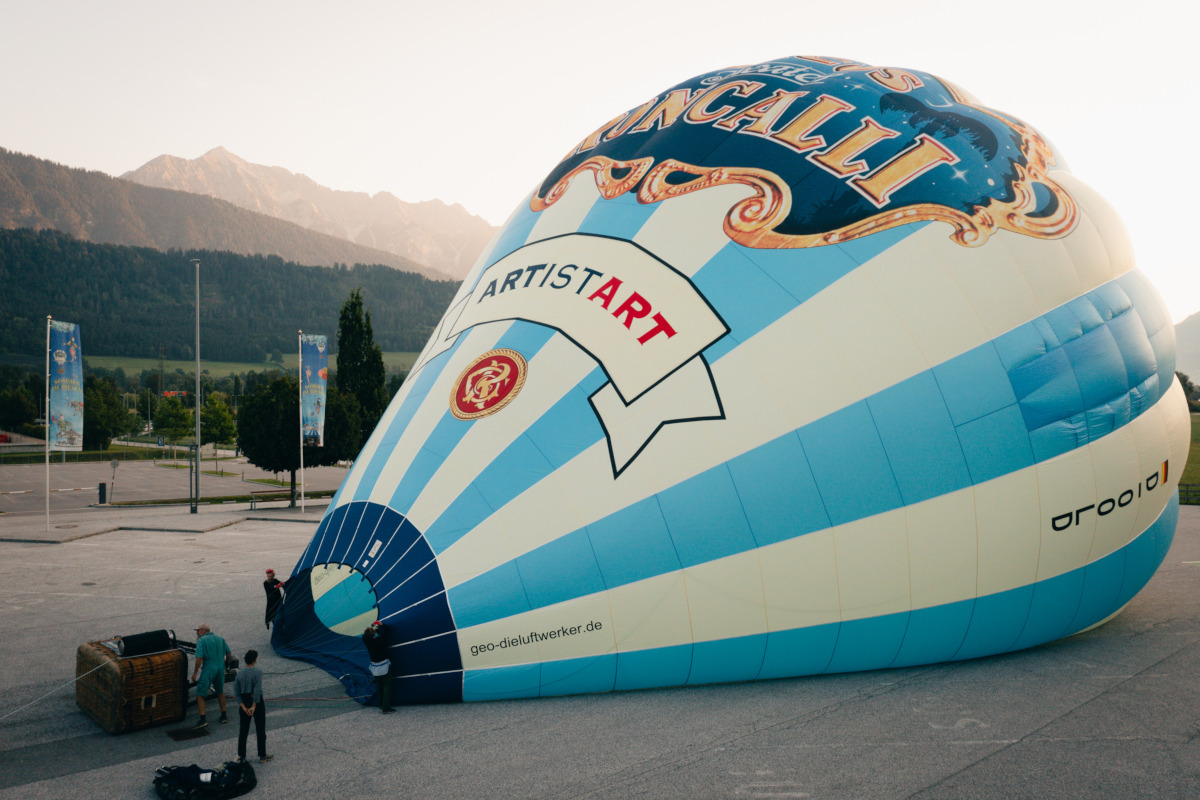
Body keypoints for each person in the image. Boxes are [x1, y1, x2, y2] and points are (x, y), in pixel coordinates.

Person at [233, 649, 273, 764]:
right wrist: (254, 705)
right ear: (255, 659)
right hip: (256, 702)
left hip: (244, 701)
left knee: (243, 730)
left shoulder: (239, 673)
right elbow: (257, 689)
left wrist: (244, 706)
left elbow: (236, 691)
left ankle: (242, 756)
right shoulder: (257, 671)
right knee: (260, 728)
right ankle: (262, 755)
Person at [191, 623, 232, 729]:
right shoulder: (220, 638)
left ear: (203, 631)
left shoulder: (201, 641)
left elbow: (199, 658)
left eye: (198, 630)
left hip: (209, 669)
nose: (197, 633)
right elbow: (228, 653)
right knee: (220, 691)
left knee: (199, 693)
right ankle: (224, 716)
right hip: (220, 668)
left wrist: (195, 673)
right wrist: (226, 664)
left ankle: (203, 719)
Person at [362, 620, 395, 713]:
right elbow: (387, 630)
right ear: (373, 634)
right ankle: (386, 707)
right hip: (383, 666)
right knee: (387, 686)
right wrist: (380, 624)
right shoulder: (379, 640)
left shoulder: (366, 641)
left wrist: (373, 630)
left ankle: (380, 703)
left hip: (374, 667)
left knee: (378, 685)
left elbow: (365, 636)